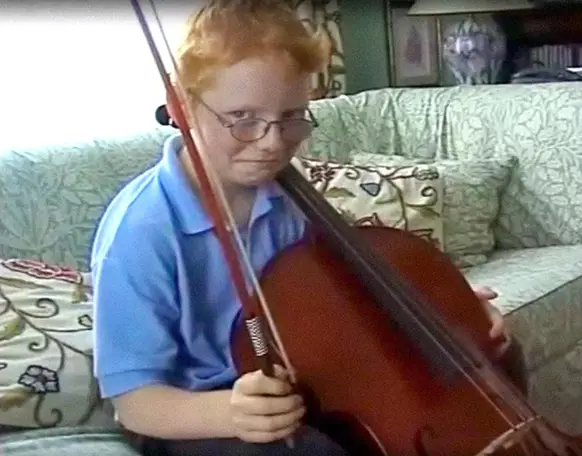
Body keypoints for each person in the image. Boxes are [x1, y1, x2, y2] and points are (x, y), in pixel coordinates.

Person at [91, 1, 514, 455]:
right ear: (180, 105)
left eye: (292, 117)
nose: (273, 144)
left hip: (294, 386)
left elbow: (352, 295)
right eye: (242, 119)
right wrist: (228, 412)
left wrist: (452, 311)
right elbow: (134, 404)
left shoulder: (287, 201)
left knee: (487, 368)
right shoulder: (141, 231)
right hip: (195, 417)